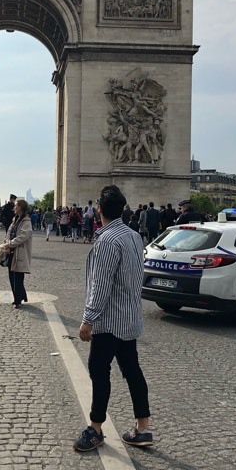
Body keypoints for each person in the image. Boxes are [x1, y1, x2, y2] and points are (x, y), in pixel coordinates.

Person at [73, 184, 152, 452]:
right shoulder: (133, 236)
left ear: (99, 210)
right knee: (132, 371)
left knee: (98, 370)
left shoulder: (107, 240)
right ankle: (143, 427)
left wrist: (88, 318)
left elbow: (101, 283)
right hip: (129, 318)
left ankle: (95, 429)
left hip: (109, 321)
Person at [3, 198, 33, 308]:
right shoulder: (15, 219)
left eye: (16, 205)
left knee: (18, 276)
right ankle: (20, 296)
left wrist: (10, 243)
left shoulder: (27, 222)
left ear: (20, 207)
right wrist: (6, 242)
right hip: (11, 251)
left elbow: (23, 236)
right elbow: (9, 232)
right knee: (12, 276)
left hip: (19, 252)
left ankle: (17, 300)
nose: (14, 207)